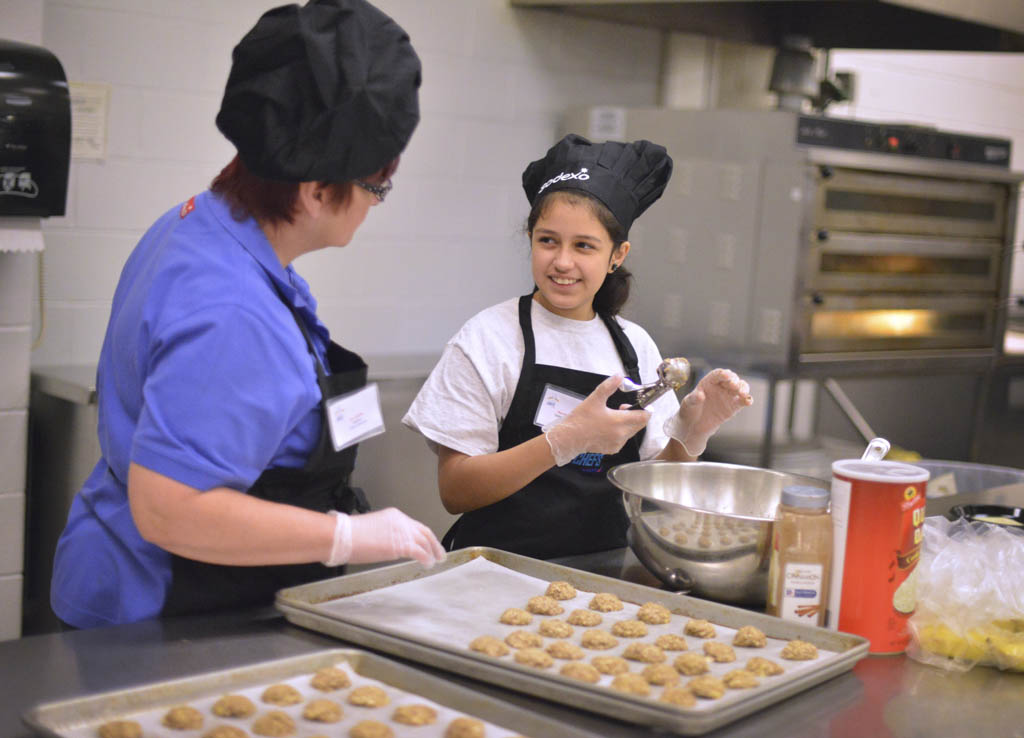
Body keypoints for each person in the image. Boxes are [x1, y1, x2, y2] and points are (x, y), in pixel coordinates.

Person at [51, 0, 445, 630]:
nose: (376, 204)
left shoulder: (205, 222)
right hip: (162, 610)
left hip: (136, 573)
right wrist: (346, 537)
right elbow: (170, 510)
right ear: (317, 190)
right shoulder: (231, 309)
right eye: (377, 187)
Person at [402, 134, 753, 559]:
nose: (562, 261)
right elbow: (456, 490)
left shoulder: (635, 346)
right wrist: (563, 441)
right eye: (548, 240)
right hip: (493, 570)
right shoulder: (488, 339)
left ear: (616, 255)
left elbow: (652, 495)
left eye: (584, 246)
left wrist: (693, 435)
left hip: (605, 575)